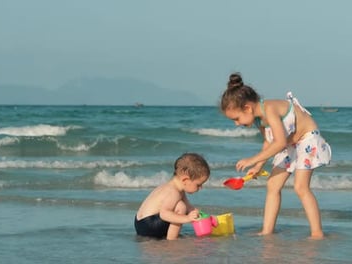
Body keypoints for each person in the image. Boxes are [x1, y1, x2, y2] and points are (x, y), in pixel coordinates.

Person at [220, 73, 331, 239]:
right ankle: (267, 230)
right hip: (289, 143)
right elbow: (268, 142)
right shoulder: (258, 119)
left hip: (307, 139)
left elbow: (278, 143)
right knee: (272, 184)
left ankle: (317, 232)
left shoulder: (269, 109)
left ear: (247, 108)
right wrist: (258, 167)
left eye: (236, 118)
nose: (237, 123)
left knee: (300, 187)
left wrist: (252, 160)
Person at [134, 153, 210, 240]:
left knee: (183, 206)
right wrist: (187, 218)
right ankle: (172, 239)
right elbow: (164, 214)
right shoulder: (173, 192)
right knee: (181, 207)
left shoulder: (176, 188)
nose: (200, 188)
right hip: (149, 225)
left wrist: (206, 217)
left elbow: (190, 208)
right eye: (198, 184)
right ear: (185, 180)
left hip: (140, 223)